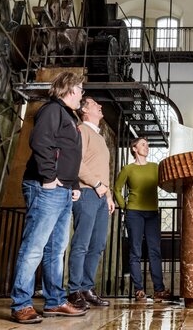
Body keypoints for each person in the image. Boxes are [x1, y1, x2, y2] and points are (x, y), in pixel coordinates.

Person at [10, 71, 87, 324]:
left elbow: (68, 155)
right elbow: (40, 142)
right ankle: (21, 304)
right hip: (46, 187)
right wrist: (48, 178)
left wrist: (73, 183)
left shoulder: (68, 115)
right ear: (70, 90)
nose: (82, 95)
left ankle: (54, 302)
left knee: (56, 250)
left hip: (63, 190)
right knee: (34, 247)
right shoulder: (52, 109)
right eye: (81, 90)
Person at [67, 97, 115, 310]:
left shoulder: (100, 137)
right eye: (96, 105)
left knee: (97, 245)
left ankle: (87, 288)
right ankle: (74, 290)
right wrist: (96, 185)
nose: (100, 107)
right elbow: (75, 163)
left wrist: (109, 195)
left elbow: (102, 170)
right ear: (85, 110)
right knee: (82, 243)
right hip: (86, 193)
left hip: (101, 197)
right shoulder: (81, 131)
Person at [113, 137, 170, 302]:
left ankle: (159, 290)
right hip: (134, 213)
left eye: (148, 145)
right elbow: (117, 189)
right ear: (134, 148)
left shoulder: (155, 167)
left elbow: (164, 184)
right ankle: (139, 289)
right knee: (135, 252)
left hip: (152, 213)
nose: (147, 147)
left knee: (154, 251)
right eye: (143, 144)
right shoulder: (128, 169)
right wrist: (125, 206)